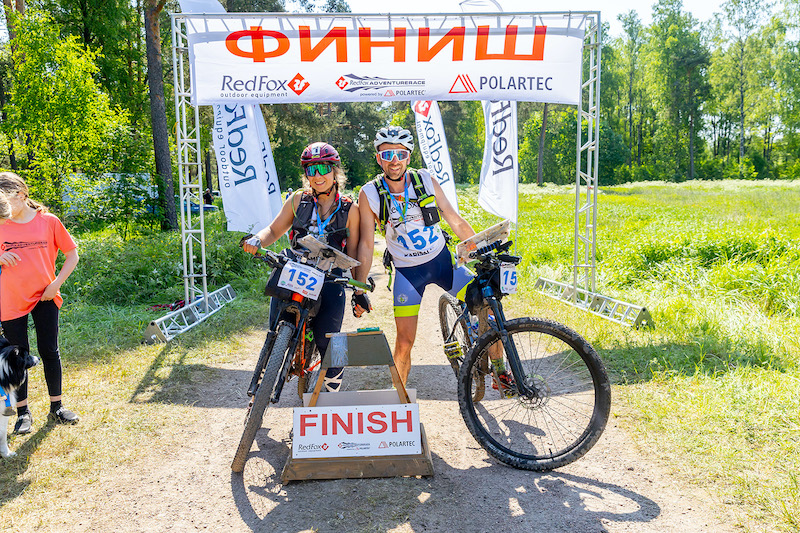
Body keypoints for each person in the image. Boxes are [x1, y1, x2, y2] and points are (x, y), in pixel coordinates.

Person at [355, 127, 513, 390]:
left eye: (400, 154)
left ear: (408, 156)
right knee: (404, 342)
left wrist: (481, 250)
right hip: (408, 274)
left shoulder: (425, 180)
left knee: (487, 305)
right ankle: (399, 399)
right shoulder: (369, 193)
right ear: (378, 158)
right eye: (387, 154)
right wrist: (359, 289)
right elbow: (366, 243)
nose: (394, 160)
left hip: (442, 263)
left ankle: (501, 373)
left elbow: (455, 220)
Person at [242, 143, 368, 391]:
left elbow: (353, 252)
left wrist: (359, 290)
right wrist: (257, 239)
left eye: (323, 168)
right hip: (295, 270)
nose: (317, 176)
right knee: (274, 331)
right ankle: (259, 391)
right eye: (311, 170)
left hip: (330, 276)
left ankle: (332, 393)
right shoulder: (298, 200)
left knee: (330, 341)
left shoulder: (350, 210)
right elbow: (274, 230)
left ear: (335, 171)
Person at [0, 172, 81, 434]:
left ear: (21, 195)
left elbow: (72, 255)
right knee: (17, 356)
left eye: (5, 201)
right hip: (10, 299)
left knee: (49, 351)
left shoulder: (49, 221)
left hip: (45, 296)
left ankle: (57, 407)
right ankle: (23, 413)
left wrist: (55, 285)